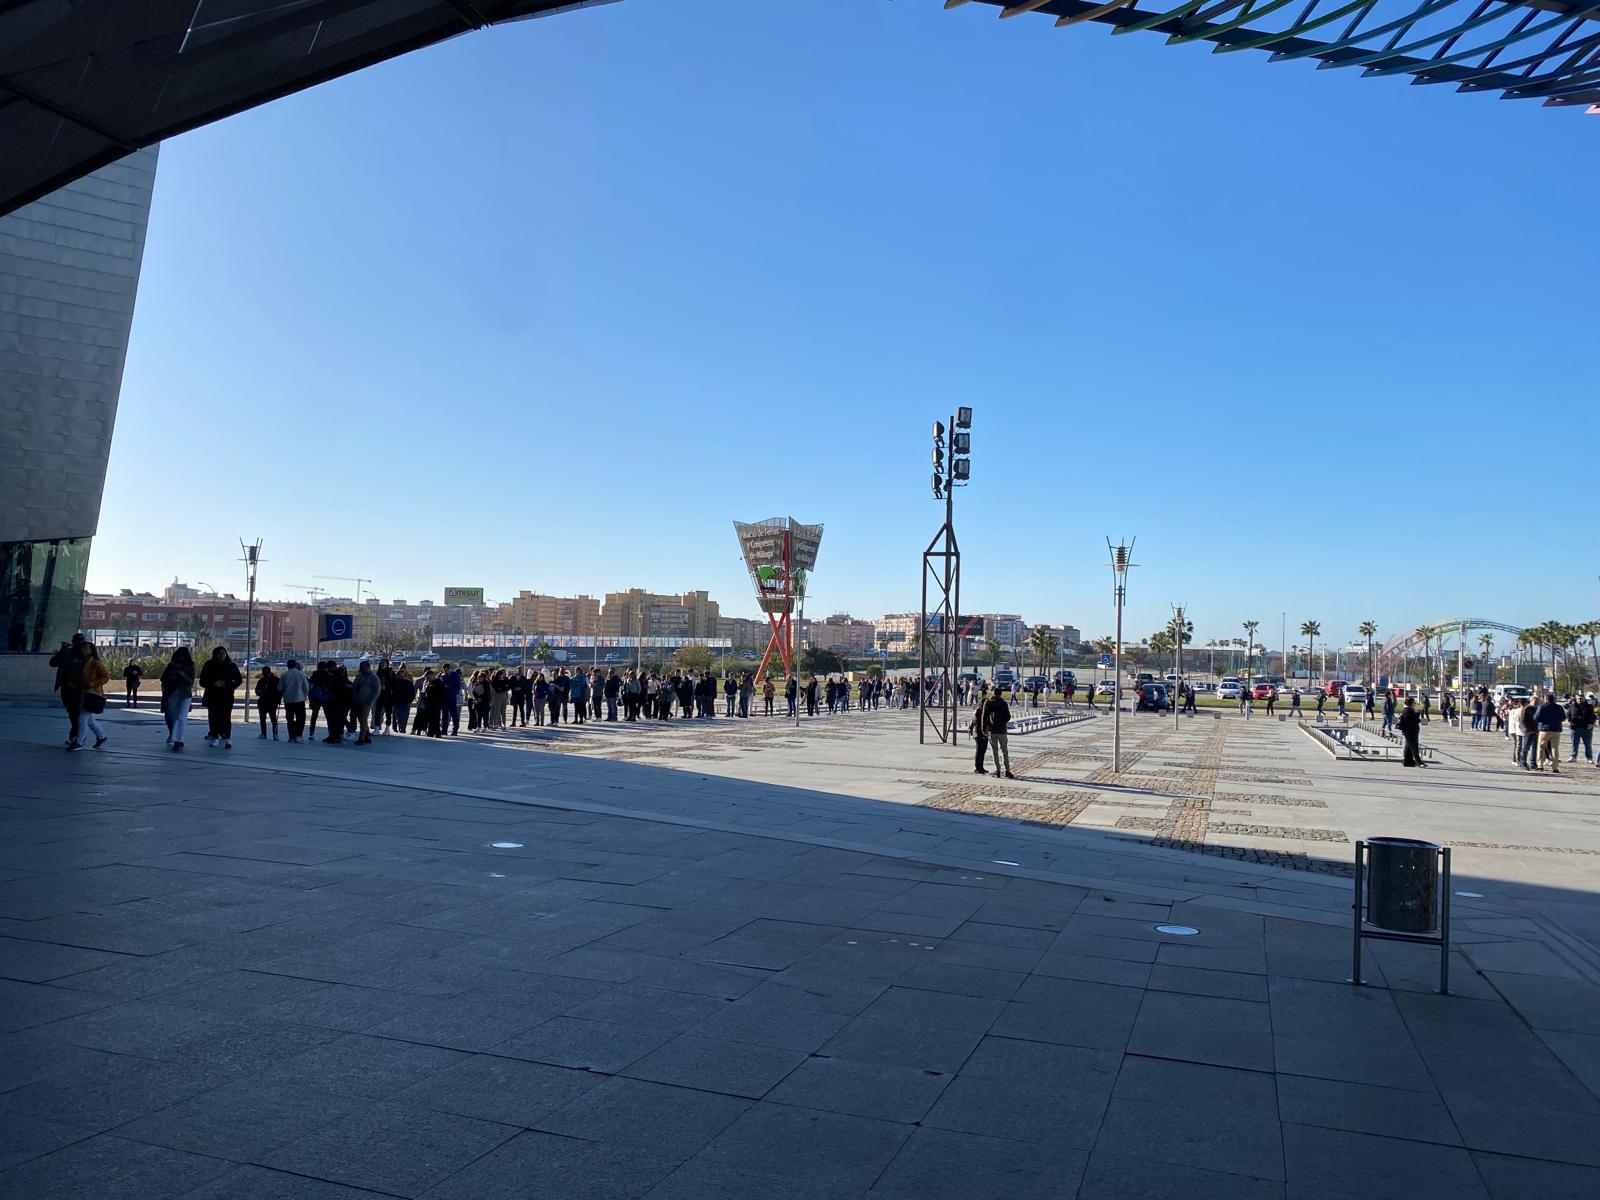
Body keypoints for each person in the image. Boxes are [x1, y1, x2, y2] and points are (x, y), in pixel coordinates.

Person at [48, 633, 89, 748]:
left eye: (81, 641)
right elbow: (53, 663)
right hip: (66, 687)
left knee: (78, 714)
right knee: (73, 713)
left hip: (79, 688)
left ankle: (77, 737)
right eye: (77, 641)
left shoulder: (85, 654)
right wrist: (62, 651)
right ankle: (80, 736)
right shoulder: (68, 653)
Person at [198, 646, 242, 749]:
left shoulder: (231, 666)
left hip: (226, 695)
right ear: (215, 654)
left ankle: (227, 738)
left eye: (223, 653)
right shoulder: (209, 665)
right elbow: (202, 681)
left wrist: (229, 686)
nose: (221, 655)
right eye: (218, 653)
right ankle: (215, 737)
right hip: (212, 695)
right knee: (214, 717)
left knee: (226, 716)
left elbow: (239, 680)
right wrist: (214, 684)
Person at [75, 643, 110, 749]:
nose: (83, 649)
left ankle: (79, 742)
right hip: (82, 693)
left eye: (85, 648)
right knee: (89, 719)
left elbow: (106, 677)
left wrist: (92, 683)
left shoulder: (96, 663)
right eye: (82, 647)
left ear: (91, 650)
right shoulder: (81, 662)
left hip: (92, 694)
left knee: (82, 718)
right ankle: (101, 736)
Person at [160, 647, 195, 751]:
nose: (181, 659)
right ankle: (176, 737)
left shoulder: (190, 666)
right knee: (173, 717)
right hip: (172, 693)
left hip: (184, 694)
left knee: (181, 717)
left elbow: (190, 681)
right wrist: (173, 675)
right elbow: (163, 679)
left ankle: (178, 740)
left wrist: (182, 674)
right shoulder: (171, 666)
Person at [983, 686, 1014, 778]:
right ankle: (1007, 770)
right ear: (1000, 694)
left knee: (994, 751)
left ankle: (998, 770)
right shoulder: (1003, 703)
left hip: (992, 730)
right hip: (1002, 730)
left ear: (993, 693)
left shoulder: (988, 702)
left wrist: (984, 729)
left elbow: (984, 717)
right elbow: (1008, 716)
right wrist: (1003, 721)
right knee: (1004, 750)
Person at [1533, 692, 1564, 773]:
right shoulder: (1559, 707)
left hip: (1544, 729)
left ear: (1546, 699)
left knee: (1541, 748)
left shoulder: (1542, 707)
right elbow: (1563, 717)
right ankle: (1555, 767)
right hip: (1556, 730)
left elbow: (1536, 718)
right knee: (1555, 748)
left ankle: (1540, 766)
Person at [351, 660, 381, 744]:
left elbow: (377, 690)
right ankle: (367, 736)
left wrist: (371, 701)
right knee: (361, 720)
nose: (360, 669)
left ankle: (361, 738)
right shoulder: (359, 676)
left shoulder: (374, 677)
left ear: (368, 667)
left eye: (362, 667)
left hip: (366, 702)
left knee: (362, 719)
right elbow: (354, 686)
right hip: (357, 701)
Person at [280, 659, 310, 742]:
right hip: (299, 699)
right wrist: (304, 696)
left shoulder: (285, 675)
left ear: (287, 665)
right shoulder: (301, 674)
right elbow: (306, 687)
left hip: (288, 700)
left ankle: (291, 736)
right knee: (301, 718)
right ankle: (298, 735)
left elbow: (279, 688)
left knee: (290, 719)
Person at [968, 683, 990, 773]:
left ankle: (981, 767)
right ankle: (977, 767)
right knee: (979, 750)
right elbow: (975, 722)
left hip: (981, 732)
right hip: (979, 733)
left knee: (983, 750)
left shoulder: (980, 711)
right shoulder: (978, 711)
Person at [255, 664, 282, 739]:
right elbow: (280, 691)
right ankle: (273, 734)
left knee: (266, 718)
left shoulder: (264, 680)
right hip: (270, 702)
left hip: (267, 701)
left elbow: (257, 691)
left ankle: (265, 734)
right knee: (272, 719)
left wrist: (261, 692)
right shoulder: (276, 680)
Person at [1568, 692, 1594, 764]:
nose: (1579, 700)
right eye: (1578, 698)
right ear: (1576, 698)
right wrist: (1570, 722)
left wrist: (1591, 724)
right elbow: (1569, 715)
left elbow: (1593, 716)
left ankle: (1589, 758)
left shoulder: (1589, 707)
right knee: (1574, 744)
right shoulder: (1572, 706)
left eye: (1581, 698)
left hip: (1586, 728)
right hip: (1575, 728)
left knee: (1588, 745)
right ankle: (1573, 757)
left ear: (1584, 699)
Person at [1397, 697, 1424, 767]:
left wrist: (1417, 714)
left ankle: (1407, 762)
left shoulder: (1409, 710)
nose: (1415, 704)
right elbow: (1413, 721)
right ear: (1411, 703)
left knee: (1408, 747)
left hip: (1410, 732)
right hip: (1410, 732)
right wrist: (1417, 715)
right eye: (1414, 702)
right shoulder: (1408, 710)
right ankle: (1419, 762)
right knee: (1414, 747)